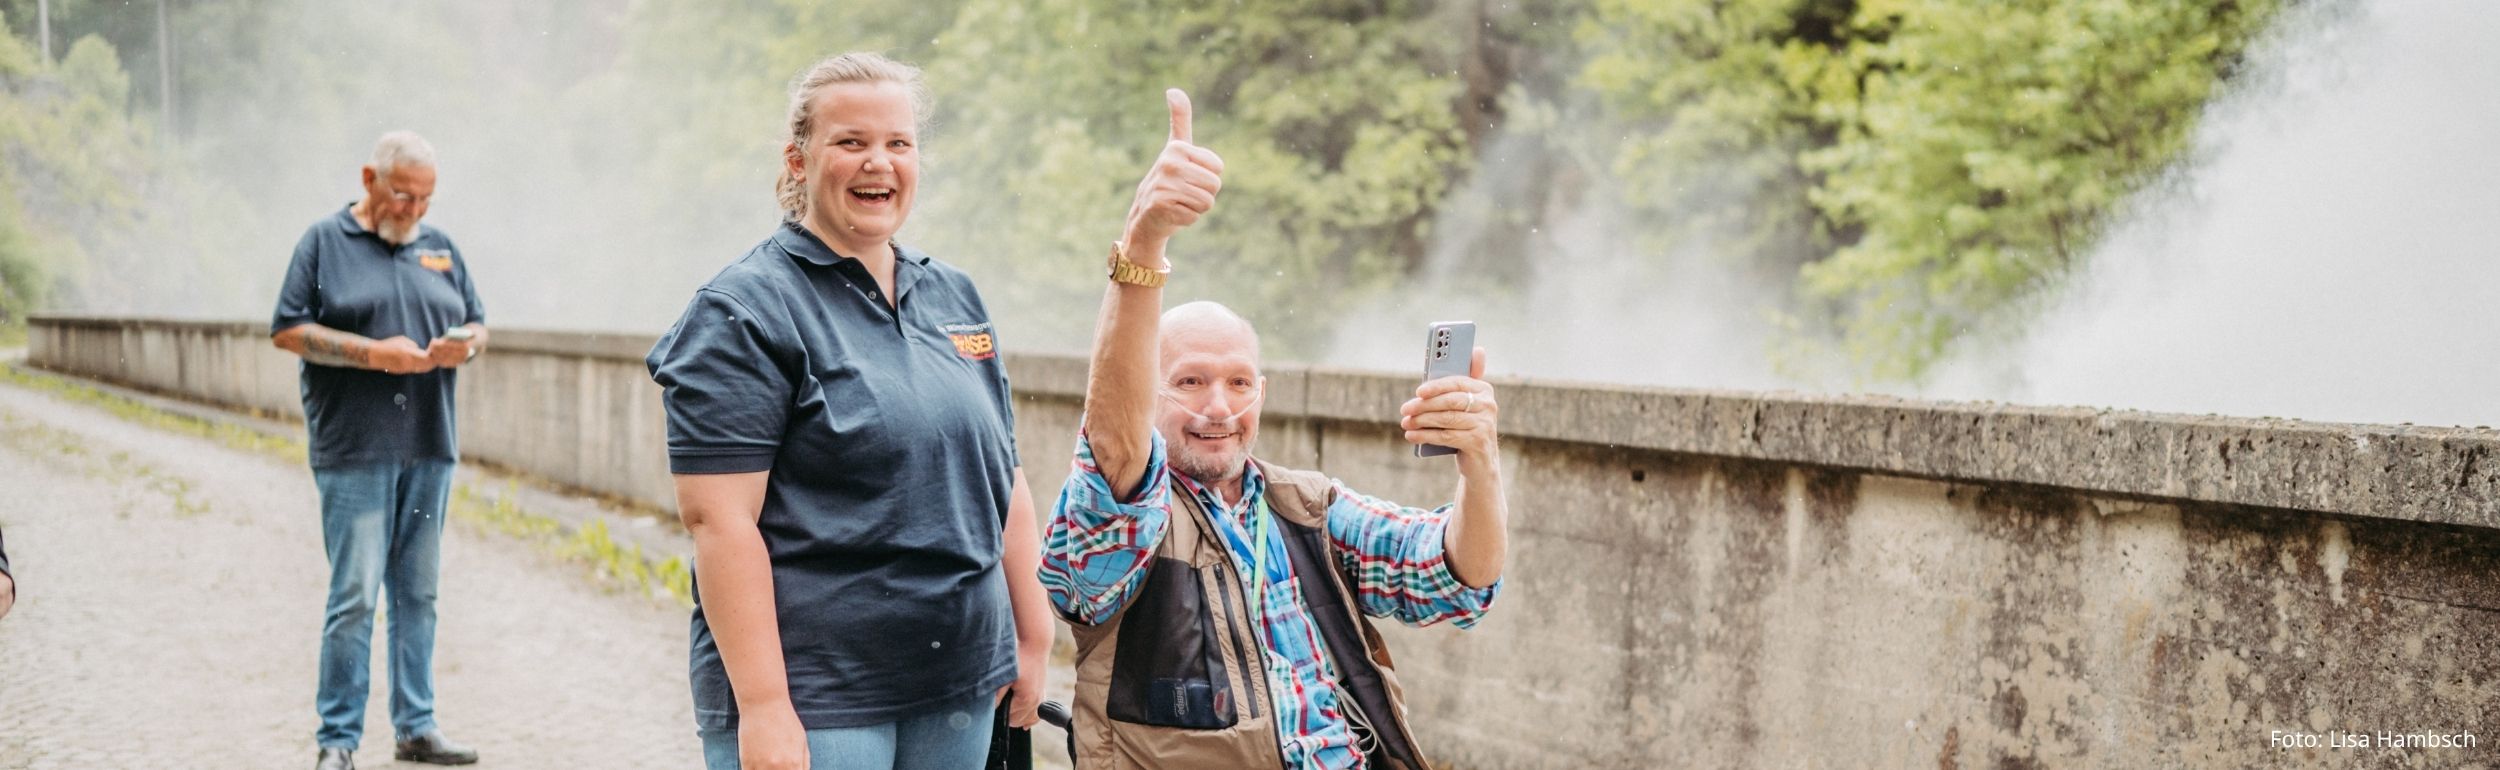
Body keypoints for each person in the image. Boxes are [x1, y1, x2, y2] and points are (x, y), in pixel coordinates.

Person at [1041, 89, 1511, 769]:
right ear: (1150, 394)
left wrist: (1479, 463)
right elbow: (1114, 444)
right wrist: (1145, 241)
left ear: (1261, 394)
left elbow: (1457, 578)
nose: (1219, 408)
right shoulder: (1134, 513)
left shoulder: (1307, 508)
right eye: (1191, 381)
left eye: (1237, 383)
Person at [646, 52, 1053, 770]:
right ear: (798, 160)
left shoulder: (955, 296)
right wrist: (766, 709)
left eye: (899, 143)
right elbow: (721, 523)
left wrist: (1032, 633)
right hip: (819, 693)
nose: (880, 163)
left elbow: (1002, 475)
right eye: (851, 142)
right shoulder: (742, 311)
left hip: (959, 677)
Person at [270, 131, 486, 770]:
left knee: (418, 593)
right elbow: (286, 329)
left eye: (425, 199)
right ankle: (337, 740)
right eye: (402, 194)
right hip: (354, 448)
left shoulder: (441, 249)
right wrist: (372, 355)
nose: (414, 210)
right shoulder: (323, 243)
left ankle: (416, 728)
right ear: (369, 179)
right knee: (356, 595)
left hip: (429, 443)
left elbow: (479, 322)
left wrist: (463, 346)